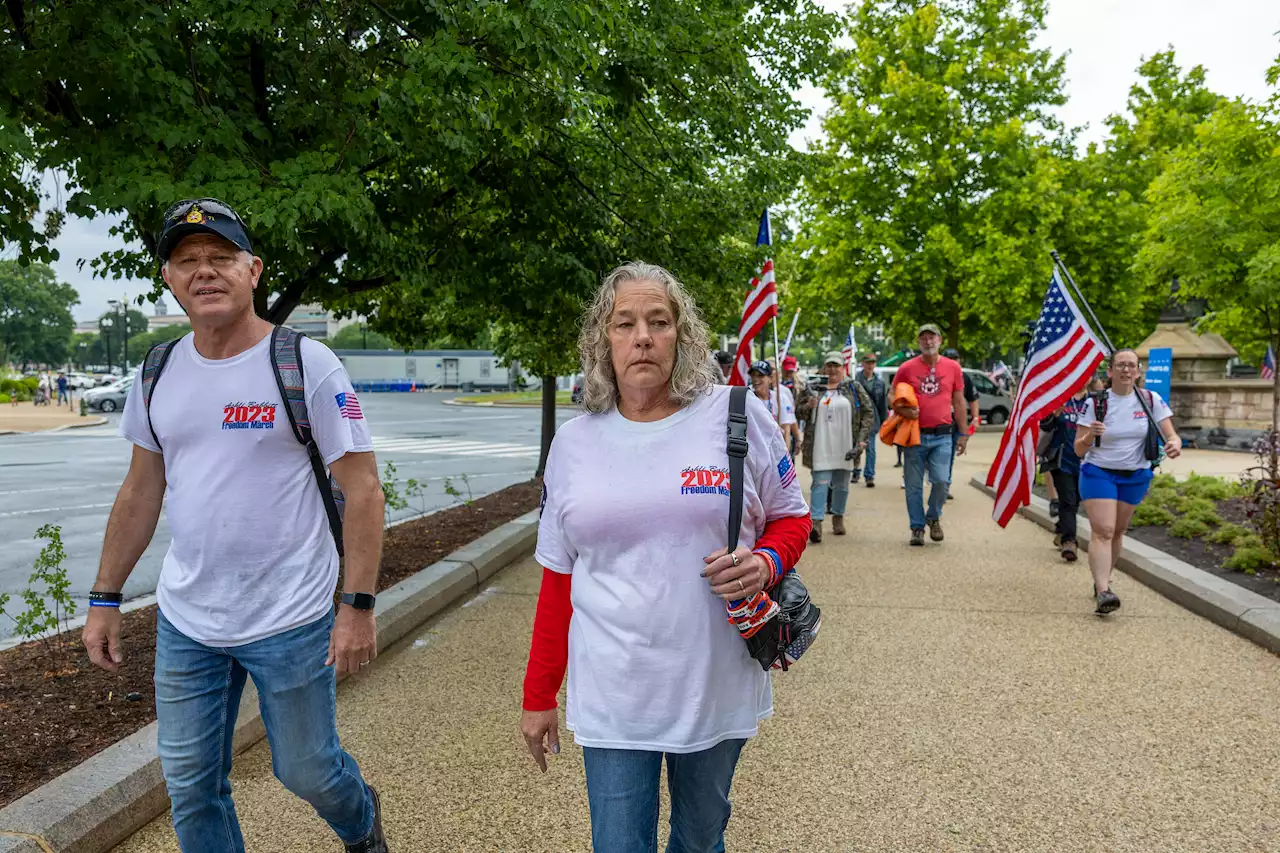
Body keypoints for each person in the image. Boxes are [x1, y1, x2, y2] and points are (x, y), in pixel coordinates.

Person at [82, 198, 391, 853]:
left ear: (253, 269)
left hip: (293, 614)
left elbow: (362, 490)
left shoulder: (306, 365)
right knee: (192, 786)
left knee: (306, 768)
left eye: (220, 257)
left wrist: (357, 604)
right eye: (187, 260)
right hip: (189, 619)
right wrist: (105, 596)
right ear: (168, 278)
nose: (204, 271)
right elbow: (141, 490)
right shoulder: (157, 372)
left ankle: (361, 820)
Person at [520, 261, 810, 853]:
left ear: (683, 334)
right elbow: (557, 579)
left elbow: (792, 516)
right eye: (624, 323)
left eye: (659, 321)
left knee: (700, 842)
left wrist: (766, 563)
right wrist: (538, 694)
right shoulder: (575, 443)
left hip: (713, 681)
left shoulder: (735, 415)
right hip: (614, 690)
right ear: (604, 340)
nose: (643, 336)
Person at [1074, 349, 1181, 614]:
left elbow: (1172, 435)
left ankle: (1103, 579)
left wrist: (1173, 444)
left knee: (1118, 531)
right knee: (1104, 530)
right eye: (1120, 365)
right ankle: (1103, 592)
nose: (1126, 370)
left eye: (1131, 365)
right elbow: (1078, 449)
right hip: (1098, 471)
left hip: (1135, 474)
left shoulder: (1150, 400)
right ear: (1109, 371)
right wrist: (1091, 437)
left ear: (1138, 371)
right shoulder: (1096, 403)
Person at [891, 324, 969, 546]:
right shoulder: (906, 368)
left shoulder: (953, 367)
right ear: (919, 342)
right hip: (914, 435)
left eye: (932, 337)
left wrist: (963, 433)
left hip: (943, 434)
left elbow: (959, 401)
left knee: (942, 481)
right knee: (913, 485)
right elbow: (892, 394)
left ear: (940, 340)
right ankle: (917, 527)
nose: (928, 342)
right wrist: (902, 409)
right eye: (923, 338)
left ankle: (933, 516)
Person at [795, 352, 874, 542]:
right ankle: (816, 523)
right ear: (824, 367)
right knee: (820, 484)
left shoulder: (853, 387)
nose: (832, 369)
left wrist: (862, 439)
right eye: (829, 365)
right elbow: (798, 412)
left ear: (843, 367)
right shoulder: (813, 387)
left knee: (842, 485)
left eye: (836, 366)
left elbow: (868, 412)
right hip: (820, 444)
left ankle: (838, 517)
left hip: (846, 444)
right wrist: (809, 406)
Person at [1039, 383, 1092, 562]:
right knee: (1068, 500)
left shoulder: (1094, 401)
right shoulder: (1059, 397)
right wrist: (1053, 414)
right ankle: (1069, 541)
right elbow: (1044, 426)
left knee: (1075, 500)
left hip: (1086, 461)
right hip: (1062, 459)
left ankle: (1062, 528)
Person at [941, 348, 980, 501]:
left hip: (958, 422)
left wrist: (975, 417)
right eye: (949, 358)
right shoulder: (938, 375)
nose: (953, 361)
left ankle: (944, 485)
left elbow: (973, 398)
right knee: (943, 454)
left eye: (955, 359)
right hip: (942, 421)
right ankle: (942, 483)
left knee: (950, 454)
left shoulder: (964, 378)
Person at [853, 352, 887, 488]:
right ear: (863, 364)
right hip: (857, 419)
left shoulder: (880, 383)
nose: (870, 365)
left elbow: (882, 404)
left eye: (872, 363)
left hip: (873, 419)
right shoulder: (855, 381)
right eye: (867, 363)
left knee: (871, 449)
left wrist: (883, 421)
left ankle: (869, 475)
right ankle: (855, 471)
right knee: (857, 446)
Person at [748, 360, 799, 450]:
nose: (756, 379)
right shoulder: (748, 399)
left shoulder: (780, 398)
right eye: (753, 375)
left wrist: (785, 455)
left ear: (770, 378)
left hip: (776, 450)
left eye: (760, 375)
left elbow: (786, 430)